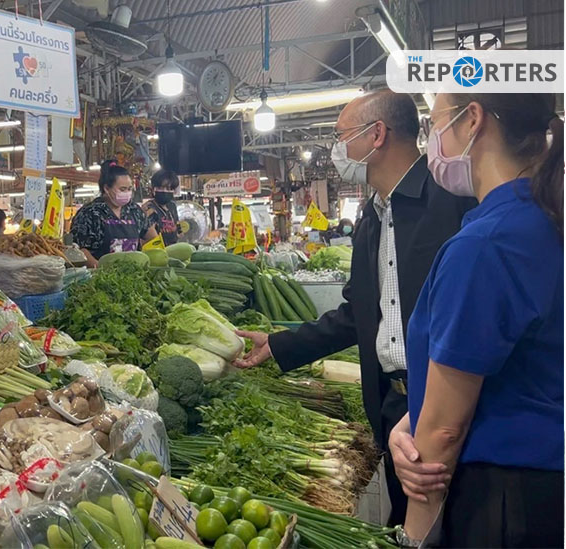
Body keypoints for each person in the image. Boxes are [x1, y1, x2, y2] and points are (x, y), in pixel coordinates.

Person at [234, 89, 476, 526]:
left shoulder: (452, 202)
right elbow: (357, 315)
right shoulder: (372, 217)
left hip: (452, 406)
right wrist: (279, 344)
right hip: (393, 407)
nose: (337, 148)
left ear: (376, 134)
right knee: (407, 527)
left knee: (461, 524)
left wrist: (442, 412)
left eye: (342, 135)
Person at [389, 93, 563, 548]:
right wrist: (411, 420)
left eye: (434, 123)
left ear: (472, 119)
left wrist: (413, 539)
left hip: (504, 501)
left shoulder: (485, 245)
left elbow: (445, 433)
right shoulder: (544, 221)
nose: (432, 139)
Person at [70, 159, 157, 267]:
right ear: (107, 188)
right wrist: (101, 270)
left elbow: (152, 237)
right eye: (122, 189)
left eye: (129, 189)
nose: (127, 193)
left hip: (134, 273)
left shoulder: (134, 211)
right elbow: (79, 249)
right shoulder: (89, 213)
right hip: (100, 274)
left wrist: (144, 259)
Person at [142, 168, 182, 245]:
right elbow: (151, 237)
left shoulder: (172, 206)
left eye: (168, 188)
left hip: (174, 248)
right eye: (160, 188)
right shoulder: (149, 208)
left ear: (174, 190)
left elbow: (178, 229)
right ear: (153, 189)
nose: (164, 191)